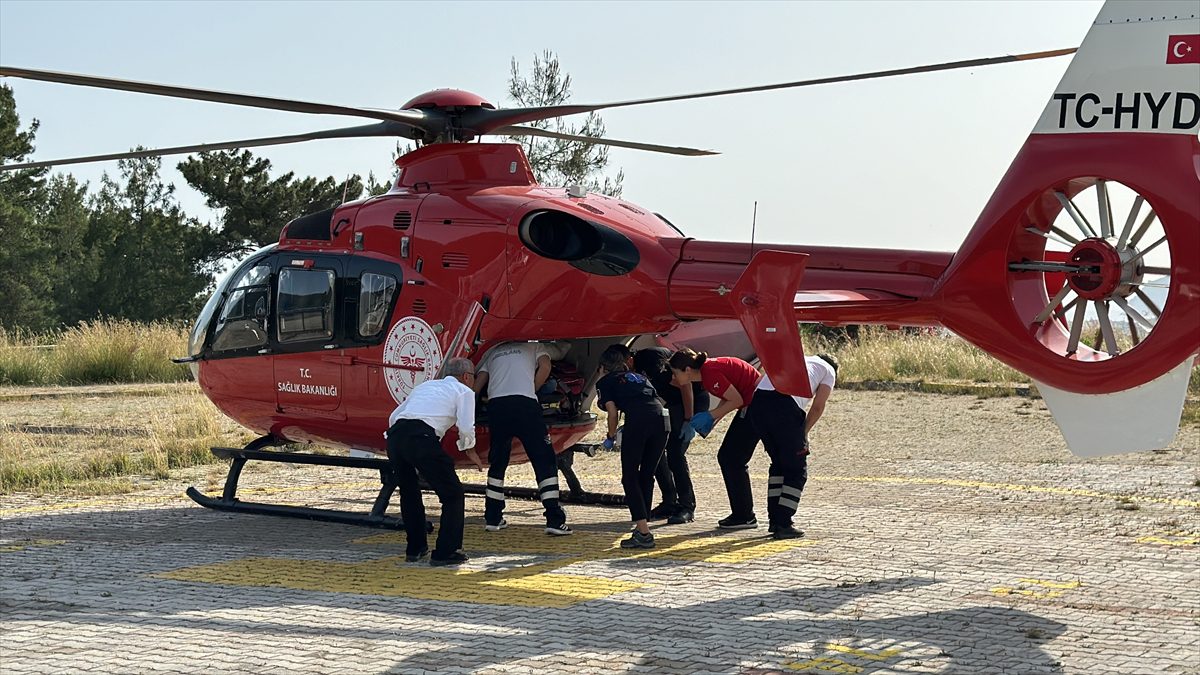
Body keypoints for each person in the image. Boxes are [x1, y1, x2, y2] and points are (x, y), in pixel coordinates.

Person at [385, 357, 484, 566]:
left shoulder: (426, 386)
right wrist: (470, 450)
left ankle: (415, 548)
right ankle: (446, 551)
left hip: (396, 437)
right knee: (452, 494)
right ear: (467, 376)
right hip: (422, 438)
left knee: (409, 493)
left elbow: (395, 415)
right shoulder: (464, 391)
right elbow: (466, 426)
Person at [474, 342, 572, 536]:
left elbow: (477, 386)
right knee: (544, 459)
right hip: (525, 405)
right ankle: (554, 518)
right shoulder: (533, 347)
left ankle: (493, 517)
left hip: (497, 407)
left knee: (498, 461)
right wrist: (532, 389)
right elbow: (546, 366)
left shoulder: (492, 351)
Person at [669, 349, 763, 530]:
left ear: (687, 370)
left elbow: (736, 400)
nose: (673, 378)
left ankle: (744, 516)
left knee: (731, 458)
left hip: (756, 405)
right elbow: (730, 397)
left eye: (675, 373)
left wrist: (710, 415)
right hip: (753, 404)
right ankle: (743, 514)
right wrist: (712, 421)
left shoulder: (709, 374)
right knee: (730, 458)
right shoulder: (709, 371)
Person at [749, 353, 839, 540]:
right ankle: (784, 523)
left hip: (758, 404)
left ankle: (775, 520)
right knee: (797, 469)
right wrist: (803, 432)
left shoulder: (802, 359)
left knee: (779, 465)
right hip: (783, 405)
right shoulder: (829, 370)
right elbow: (818, 407)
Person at [597, 344, 669, 548]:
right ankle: (642, 526)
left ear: (603, 366)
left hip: (639, 421)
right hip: (662, 420)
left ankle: (644, 533)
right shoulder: (639, 376)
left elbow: (612, 412)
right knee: (647, 475)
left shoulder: (606, 381)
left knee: (629, 477)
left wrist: (611, 436)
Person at [633, 346, 710, 525]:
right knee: (656, 451)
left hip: (691, 402)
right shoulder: (635, 374)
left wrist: (688, 419)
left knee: (675, 454)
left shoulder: (651, 361)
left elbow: (686, 386)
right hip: (672, 405)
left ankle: (687, 506)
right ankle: (669, 501)